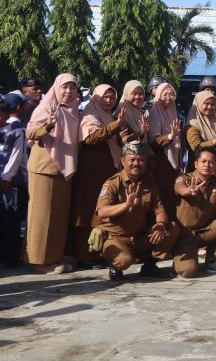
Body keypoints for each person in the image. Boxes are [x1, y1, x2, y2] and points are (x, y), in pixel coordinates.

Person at [94, 141, 179, 281]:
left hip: (138, 237)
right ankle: (115, 266)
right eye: (132, 159)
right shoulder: (112, 183)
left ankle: (150, 266)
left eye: (140, 160)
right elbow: (102, 211)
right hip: (116, 237)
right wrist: (125, 205)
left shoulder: (149, 185)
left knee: (172, 228)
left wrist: (160, 225)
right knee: (124, 261)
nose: (136, 163)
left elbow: (160, 211)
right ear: (123, 161)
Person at [25, 73, 81, 274]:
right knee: (41, 216)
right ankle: (39, 261)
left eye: (72, 88)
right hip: (44, 168)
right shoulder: (47, 106)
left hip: (63, 170)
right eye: (65, 87)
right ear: (57, 88)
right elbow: (30, 132)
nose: (68, 91)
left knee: (58, 216)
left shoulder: (73, 110)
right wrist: (47, 125)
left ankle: (53, 257)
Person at [72, 84, 132, 267]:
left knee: (102, 210)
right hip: (91, 170)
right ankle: (84, 256)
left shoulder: (108, 116)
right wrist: (115, 125)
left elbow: (117, 140)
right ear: (96, 97)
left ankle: (99, 253)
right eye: (105, 97)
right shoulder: (89, 115)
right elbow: (91, 138)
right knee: (87, 210)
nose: (109, 100)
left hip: (106, 170)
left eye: (112, 97)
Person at [173, 148, 216, 276]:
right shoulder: (184, 178)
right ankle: (179, 260)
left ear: (215, 165)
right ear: (196, 164)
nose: (207, 165)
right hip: (186, 234)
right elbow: (179, 188)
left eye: (211, 162)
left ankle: (215, 262)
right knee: (188, 271)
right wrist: (189, 191)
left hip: (206, 231)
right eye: (203, 161)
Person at [0, 96, 27, 267]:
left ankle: (10, 257)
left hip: (7, 182)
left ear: (8, 116)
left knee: (8, 219)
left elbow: (16, 157)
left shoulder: (17, 132)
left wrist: (6, 177)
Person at [148, 82, 183, 212]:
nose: (168, 97)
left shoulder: (173, 111)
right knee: (163, 194)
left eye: (171, 94)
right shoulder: (155, 111)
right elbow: (154, 141)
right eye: (165, 94)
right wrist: (170, 136)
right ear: (158, 95)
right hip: (161, 160)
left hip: (174, 161)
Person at [185, 91, 216, 174]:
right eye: (206, 103)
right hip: (200, 172)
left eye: (213, 104)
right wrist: (214, 142)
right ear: (199, 103)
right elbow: (197, 146)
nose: (210, 107)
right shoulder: (192, 124)